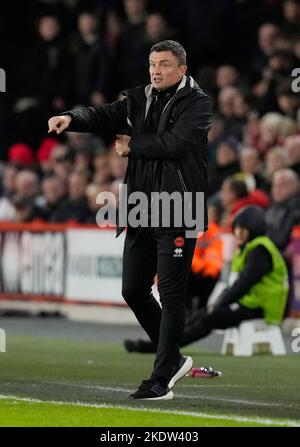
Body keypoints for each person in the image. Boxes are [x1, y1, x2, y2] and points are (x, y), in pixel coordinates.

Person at [48, 40, 212, 400]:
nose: (156, 70)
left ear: (182, 70)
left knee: (171, 295)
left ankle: (162, 375)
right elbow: (105, 114)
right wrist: (72, 118)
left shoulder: (198, 104)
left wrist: (131, 145)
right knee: (133, 289)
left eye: (165, 65)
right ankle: (173, 358)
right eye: (153, 63)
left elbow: (176, 144)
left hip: (180, 208)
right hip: (141, 207)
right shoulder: (139, 98)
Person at [125, 205, 289, 352]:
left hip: (264, 308)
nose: (238, 233)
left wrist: (220, 303)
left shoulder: (260, 250)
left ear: (253, 229)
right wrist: (219, 302)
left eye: (242, 229)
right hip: (252, 303)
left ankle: (166, 346)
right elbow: (238, 283)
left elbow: (243, 284)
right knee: (202, 314)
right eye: (237, 228)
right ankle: (165, 343)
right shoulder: (250, 248)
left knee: (210, 318)